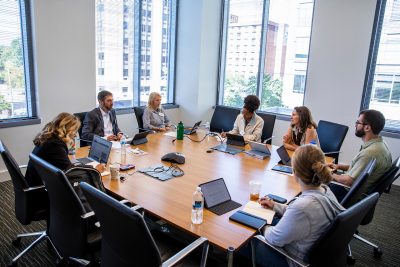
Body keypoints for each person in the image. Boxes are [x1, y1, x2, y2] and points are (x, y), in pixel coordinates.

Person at [254, 145, 344, 267]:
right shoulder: (324, 190)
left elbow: (274, 239)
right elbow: (299, 212)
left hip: (293, 260)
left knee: (249, 239)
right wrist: (274, 205)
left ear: (295, 173)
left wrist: (262, 227)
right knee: (273, 219)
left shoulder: (303, 207)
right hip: (311, 247)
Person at [25, 113, 105, 187]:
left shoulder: (48, 138)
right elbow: (72, 174)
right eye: (75, 131)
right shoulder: (55, 145)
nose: (75, 134)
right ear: (68, 129)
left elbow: (66, 167)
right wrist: (95, 170)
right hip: (42, 190)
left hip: (37, 183)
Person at [329, 109, 392, 200]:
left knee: (313, 182)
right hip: (357, 192)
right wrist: (338, 166)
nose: (355, 125)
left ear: (367, 128)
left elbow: (347, 182)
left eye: (358, 122)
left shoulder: (370, 153)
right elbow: (360, 168)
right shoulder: (380, 145)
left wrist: (327, 173)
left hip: (348, 195)